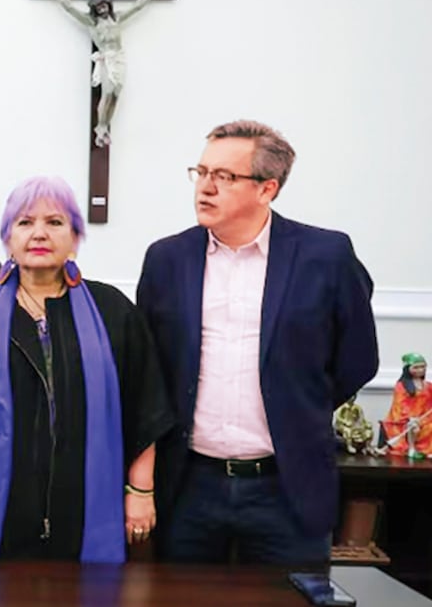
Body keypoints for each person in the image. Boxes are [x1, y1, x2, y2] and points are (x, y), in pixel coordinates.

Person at [137, 119, 379, 564]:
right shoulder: (166, 259)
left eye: (224, 177)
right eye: (201, 172)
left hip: (287, 487)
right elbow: (149, 369)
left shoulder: (325, 256)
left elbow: (358, 359)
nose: (205, 188)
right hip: (190, 485)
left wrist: (299, 406)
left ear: (267, 189)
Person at [0, 176, 171, 562]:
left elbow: (146, 405)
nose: (39, 233)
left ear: (75, 237)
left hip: (86, 505)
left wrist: (141, 491)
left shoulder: (112, 310)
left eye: (55, 222)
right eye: (24, 222)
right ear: (7, 238)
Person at [42, 0, 165, 147]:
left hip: (119, 58)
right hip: (106, 58)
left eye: (104, 5)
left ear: (109, 5)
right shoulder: (91, 22)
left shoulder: (117, 19)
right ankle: (99, 127)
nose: (102, 9)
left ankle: (106, 125)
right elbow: (69, 7)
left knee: (115, 95)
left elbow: (137, 6)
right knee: (107, 92)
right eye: (99, 7)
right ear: (95, 9)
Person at [381, 353, 431, 457]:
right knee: (413, 426)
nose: (420, 370)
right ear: (408, 369)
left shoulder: (428, 386)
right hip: (405, 418)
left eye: (423, 366)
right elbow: (400, 405)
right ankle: (412, 449)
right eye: (416, 367)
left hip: (424, 417)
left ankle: (428, 450)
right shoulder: (401, 386)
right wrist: (411, 417)